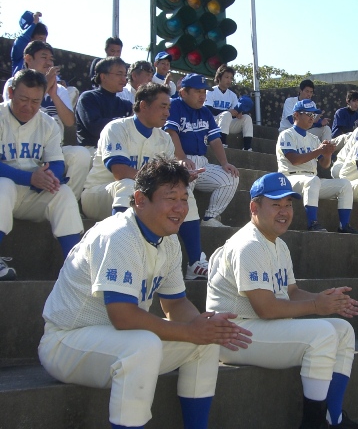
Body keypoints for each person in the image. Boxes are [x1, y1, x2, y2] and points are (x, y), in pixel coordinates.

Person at [39, 157, 252, 429]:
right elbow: (124, 317)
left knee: (204, 343)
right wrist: (189, 331)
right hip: (67, 341)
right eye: (170, 197)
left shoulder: (169, 240)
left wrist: (204, 326)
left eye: (184, 199)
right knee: (143, 345)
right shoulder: (118, 234)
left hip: (115, 340)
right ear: (140, 199)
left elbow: (175, 305)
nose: (180, 207)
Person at [206, 172, 358, 428]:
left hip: (258, 328)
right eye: (275, 204)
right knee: (323, 334)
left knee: (343, 331)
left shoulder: (277, 243)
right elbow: (266, 308)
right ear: (254, 207)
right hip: (234, 334)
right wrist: (316, 307)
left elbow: (291, 293)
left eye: (288, 204)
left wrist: (324, 299)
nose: (284, 211)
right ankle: (313, 424)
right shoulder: (248, 244)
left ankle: (333, 418)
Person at [81, 82, 211, 280]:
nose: (168, 113)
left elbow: (167, 181)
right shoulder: (116, 128)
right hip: (100, 195)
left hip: (141, 198)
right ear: (143, 105)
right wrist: (166, 181)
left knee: (183, 194)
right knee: (129, 186)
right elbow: (119, 171)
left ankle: (194, 262)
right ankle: (120, 256)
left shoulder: (164, 138)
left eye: (169, 107)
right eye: (162, 106)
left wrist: (181, 178)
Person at [0, 69, 83, 280]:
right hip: (6, 190)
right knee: (4, 185)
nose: (29, 106)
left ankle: (74, 269)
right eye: (23, 99)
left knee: (63, 194)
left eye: (35, 101)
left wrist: (50, 178)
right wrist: (30, 178)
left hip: (30, 193)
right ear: (10, 92)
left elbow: (56, 161)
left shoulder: (47, 123)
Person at [3, 41, 91, 200]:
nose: (49, 62)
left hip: (53, 148)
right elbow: (20, 113)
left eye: (51, 59)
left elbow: (69, 122)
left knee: (81, 155)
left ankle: (65, 199)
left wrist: (53, 94)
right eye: (44, 57)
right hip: (22, 148)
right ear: (28, 59)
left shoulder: (61, 89)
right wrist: (42, 90)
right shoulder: (14, 83)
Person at [164, 74, 239, 229]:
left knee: (230, 177)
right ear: (184, 93)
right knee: (189, 168)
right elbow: (171, 133)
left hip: (200, 162)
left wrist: (224, 163)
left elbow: (215, 139)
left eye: (204, 92)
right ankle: (181, 221)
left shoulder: (205, 112)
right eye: (198, 91)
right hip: (177, 162)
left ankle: (210, 218)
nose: (202, 96)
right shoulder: (175, 106)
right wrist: (182, 158)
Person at [276, 99, 358, 233]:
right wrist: (320, 150)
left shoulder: (313, 139)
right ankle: (312, 223)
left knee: (345, 185)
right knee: (312, 180)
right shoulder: (286, 134)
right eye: (308, 114)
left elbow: (325, 165)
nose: (311, 118)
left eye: (314, 115)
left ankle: (344, 226)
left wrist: (328, 153)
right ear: (296, 115)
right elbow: (294, 160)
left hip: (310, 181)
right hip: (289, 179)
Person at [76, 57, 133, 150]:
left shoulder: (126, 104)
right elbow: (95, 127)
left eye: (125, 75)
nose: (124, 79)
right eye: (119, 74)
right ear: (103, 76)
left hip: (120, 150)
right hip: (93, 149)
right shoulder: (88, 98)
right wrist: (125, 122)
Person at [204, 64, 253, 150]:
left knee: (247, 118)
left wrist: (239, 113)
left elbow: (234, 110)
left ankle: (247, 147)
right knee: (226, 114)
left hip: (227, 124)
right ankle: (222, 143)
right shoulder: (210, 91)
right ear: (219, 77)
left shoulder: (232, 95)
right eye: (226, 77)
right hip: (213, 123)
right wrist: (228, 112)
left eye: (231, 78)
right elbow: (208, 109)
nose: (229, 80)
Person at [11, 10, 48, 75]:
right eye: (40, 39)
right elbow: (22, 40)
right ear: (30, 39)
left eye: (45, 39)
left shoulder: (45, 57)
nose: (43, 42)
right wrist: (34, 23)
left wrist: (59, 81)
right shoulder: (20, 52)